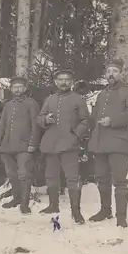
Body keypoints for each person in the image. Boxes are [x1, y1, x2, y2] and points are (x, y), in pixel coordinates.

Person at [87, 58, 128, 228]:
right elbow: (94, 118)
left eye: (115, 71)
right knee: (102, 179)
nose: (111, 74)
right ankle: (105, 210)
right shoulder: (102, 94)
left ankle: (121, 217)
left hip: (118, 144)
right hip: (100, 144)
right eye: (109, 71)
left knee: (119, 181)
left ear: (122, 74)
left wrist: (112, 120)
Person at [36, 68, 90, 224]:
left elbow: (86, 120)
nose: (63, 82)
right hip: (51, 144)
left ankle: (76, 212)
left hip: (69, 144)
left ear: (71, 82)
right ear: (55, 82)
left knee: (72, 178)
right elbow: (39, 118)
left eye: (67, 79)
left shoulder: (78, 99)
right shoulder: (50, 99)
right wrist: (45, 119)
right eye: (60, 79)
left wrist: (75, 136)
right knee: (51, 176)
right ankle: (53, 205)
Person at [0, 76, 41, 214]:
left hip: (24, 146)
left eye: (20, 87)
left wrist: (33, 143)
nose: (17, 89)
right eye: (15, 87)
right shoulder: (8, 105)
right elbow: (2, 125)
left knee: (24, 174)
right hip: (7, 146)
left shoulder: (31, 103)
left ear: (25, 89)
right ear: (11, 89)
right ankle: (16, 198)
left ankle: (24, 204)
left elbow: (35, 125)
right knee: (12, 174)